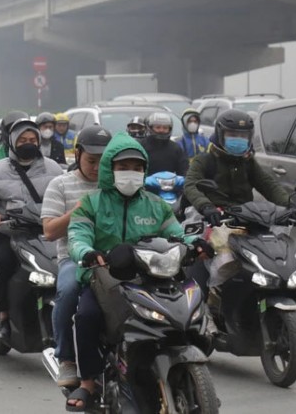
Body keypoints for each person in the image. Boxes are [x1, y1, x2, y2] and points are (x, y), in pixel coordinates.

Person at [65, 133, 208, 410]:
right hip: (104, 276)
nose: (130, 173)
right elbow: (77, 235)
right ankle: (88, 383)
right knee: (86, 316)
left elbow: (176, 234)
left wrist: (195, 244)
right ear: (110, 169)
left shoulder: (156, 204)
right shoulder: (92, 202)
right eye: (123, 167)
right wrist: (87, 253)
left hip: (152, 276)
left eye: (137, 167)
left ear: (144, 170)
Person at [0, 119, 63, 343]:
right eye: (23, 140)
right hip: (11, 232)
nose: (28, 143)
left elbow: (66, 196)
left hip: (47, 231)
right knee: (5, 264)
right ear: (12, 142)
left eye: (33, 140)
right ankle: (3, 319)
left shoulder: (54, 169)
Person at [41, 125, 111, 388]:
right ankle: (66, 358)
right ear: (77, 154)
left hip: (113, 258)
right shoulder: (60, 184)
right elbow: (49, 231)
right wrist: (79, 210)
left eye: (104, 162)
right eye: (92, 161)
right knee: (68, 290)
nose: (97, 168)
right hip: (74, 259)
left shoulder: (118, 185)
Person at [139, 112, 188, 176]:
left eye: (165, 128)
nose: (161, 130)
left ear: (169, 129)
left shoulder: (175, 149)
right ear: (150, 128)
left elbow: (184, 170)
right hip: (145, 184)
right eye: (158, 127)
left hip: (170, 184)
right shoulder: (141, 147)